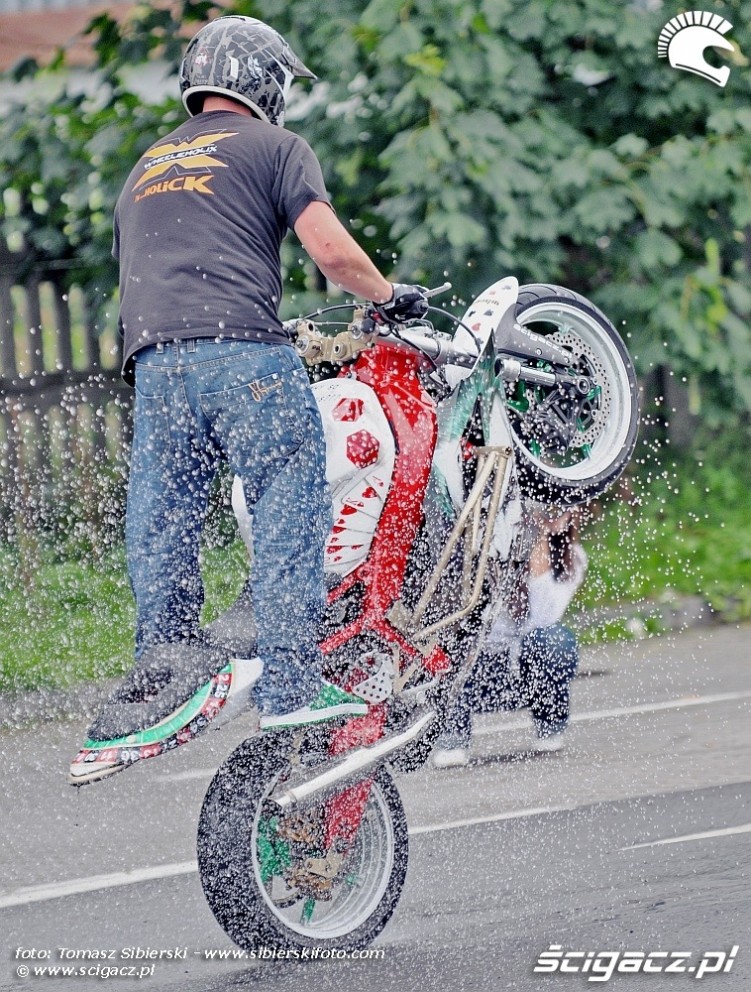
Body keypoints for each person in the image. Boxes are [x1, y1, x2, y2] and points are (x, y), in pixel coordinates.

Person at [69, 15, 428, 784]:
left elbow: (169, 263)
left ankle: (162, 668)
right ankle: (294, 688)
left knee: (163, 521)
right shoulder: (276, 147)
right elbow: (330, 251)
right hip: (245, 358)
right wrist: (390, 296)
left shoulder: (149, 161)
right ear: (264, 83)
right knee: (286, 509)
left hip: (156, 365)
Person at [432, 508, 587, 768]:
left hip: (526, 670)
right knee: (453, 646)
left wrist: (538, 549)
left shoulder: (574, 559)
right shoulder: (497, 547)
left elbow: (542, 619)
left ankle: (550, 726)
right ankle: (453, 738)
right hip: (480, 667)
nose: (554, 514)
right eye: (545, 507)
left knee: (555, 641)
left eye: (562, 507)